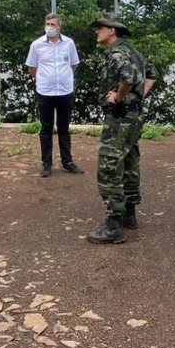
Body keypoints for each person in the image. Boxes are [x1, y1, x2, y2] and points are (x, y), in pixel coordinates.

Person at [87, 14, 156, 244]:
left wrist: (119, 97)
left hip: (120, 117)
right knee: (129, 161)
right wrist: (137, 99)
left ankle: (114, 226)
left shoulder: (118, 53)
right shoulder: (132, 51)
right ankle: (129, 215)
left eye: (100, 28)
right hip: (133, 116)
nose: (96, 31)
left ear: (112, 31)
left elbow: (127, 77)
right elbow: (151, 75)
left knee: (109, 164)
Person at [25, 12, 83, 178]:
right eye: (48, 24)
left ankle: (67, 162)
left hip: (65, 91)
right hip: (45, 92)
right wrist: (44, 79)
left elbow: (73, 64)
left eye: (53, 25)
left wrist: (64, 78)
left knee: (64, 127)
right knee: (46, 128)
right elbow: (32, 68)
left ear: (59, 27)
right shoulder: (37, 45)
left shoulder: (69, 44)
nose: (50, 27)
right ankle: (46, 163)